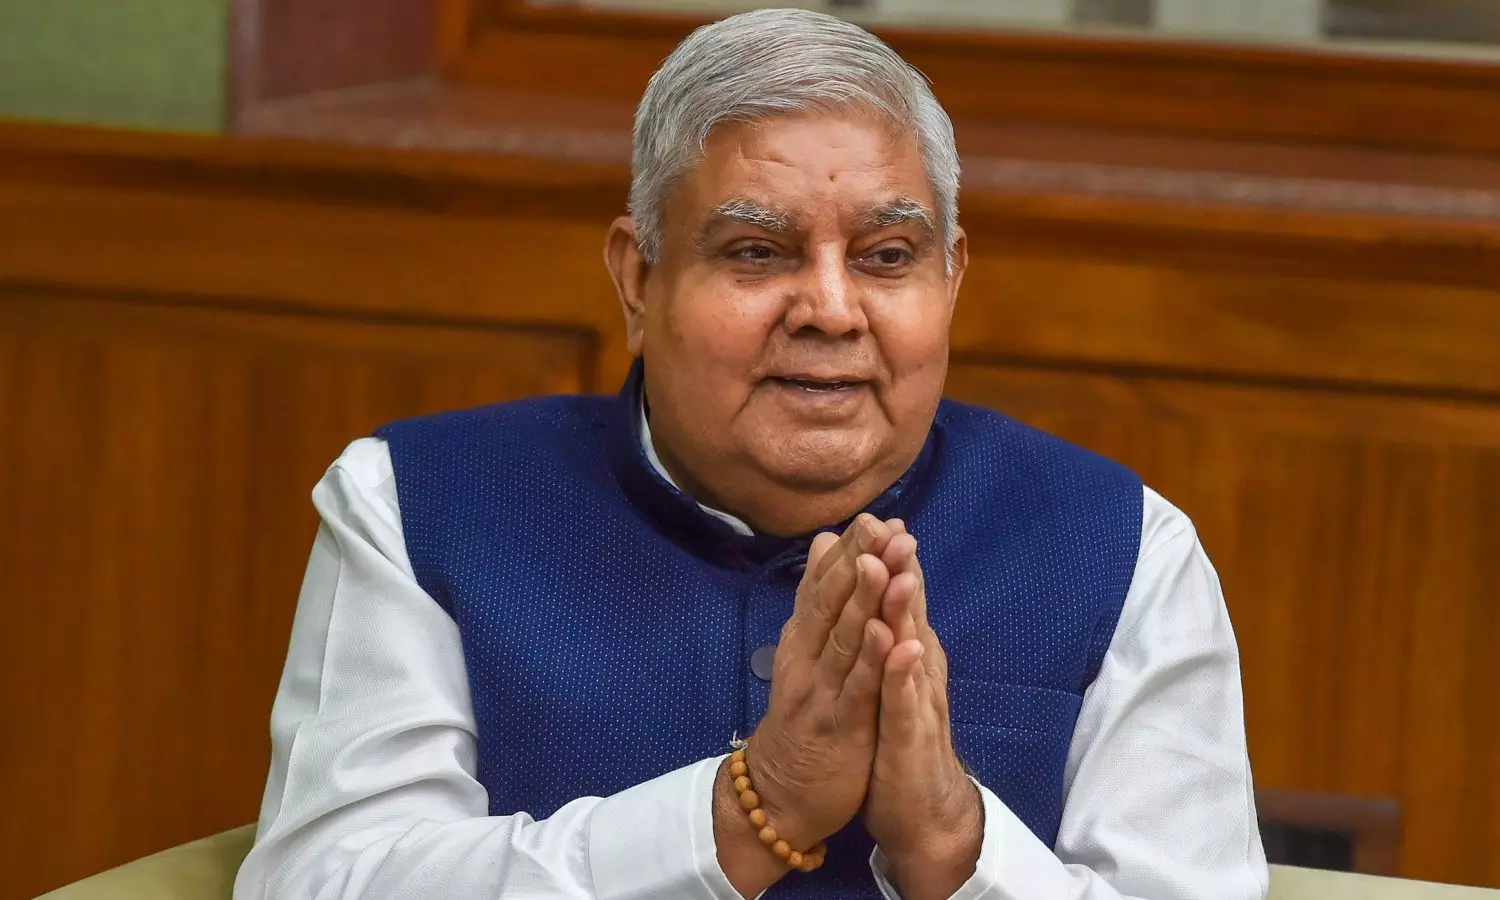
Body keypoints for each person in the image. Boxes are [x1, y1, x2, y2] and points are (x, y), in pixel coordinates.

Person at [234, 8, 1269, 900]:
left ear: (950, 280)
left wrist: (954, 841)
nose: (830, 308)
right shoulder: (417, 506)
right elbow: (328, 880)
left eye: (887, 257)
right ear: (639, 280)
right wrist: (745, 813)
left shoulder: (1123, 550)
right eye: (756, 252)